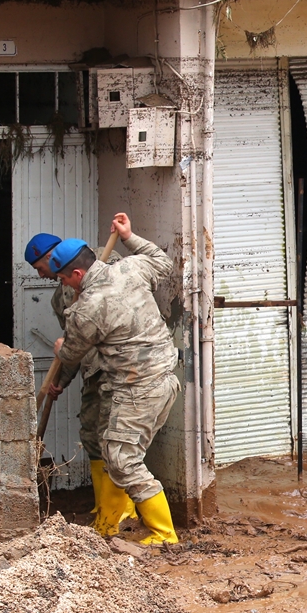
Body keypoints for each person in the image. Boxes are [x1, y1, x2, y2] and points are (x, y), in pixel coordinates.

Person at [50, 213, 180, 545]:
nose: (63, 286)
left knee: (122, 459)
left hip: (138, 387)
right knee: (116, 453)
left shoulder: (87, 309)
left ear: (77, 274)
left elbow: (71, 355)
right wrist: (129, 236)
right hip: (164, 378)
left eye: (63, 279)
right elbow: (163, 263)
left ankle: (164, 535)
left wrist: (62, 346)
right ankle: (110, 520)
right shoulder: (131, 267)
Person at [24, 233, 136, 537]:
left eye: (39, 267)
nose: (40, 275)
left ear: (51, 256)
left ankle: (123, 508)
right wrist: (61, 380)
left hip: (119, 367)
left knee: (115, 438)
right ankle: (104, 505)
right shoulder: (59, 298)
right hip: (92, 370)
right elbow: (74, 345)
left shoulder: (104, 264)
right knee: (91, 434)